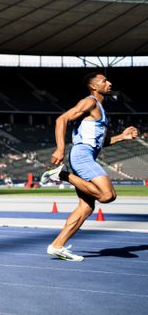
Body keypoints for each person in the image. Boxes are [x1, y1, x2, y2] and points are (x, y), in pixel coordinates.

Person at [41, 72, 138, 261]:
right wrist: (60, 148)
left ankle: (57, 246)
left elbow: (99, 141)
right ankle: (61, 175)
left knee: (85, 208)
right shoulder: (90, 102)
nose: (109, 83)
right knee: (108, 195)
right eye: (104, 81)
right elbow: (62, 120)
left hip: (87, 154)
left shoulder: (99, 108)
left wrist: (121, 137)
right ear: (94, 86)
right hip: (82, 156)